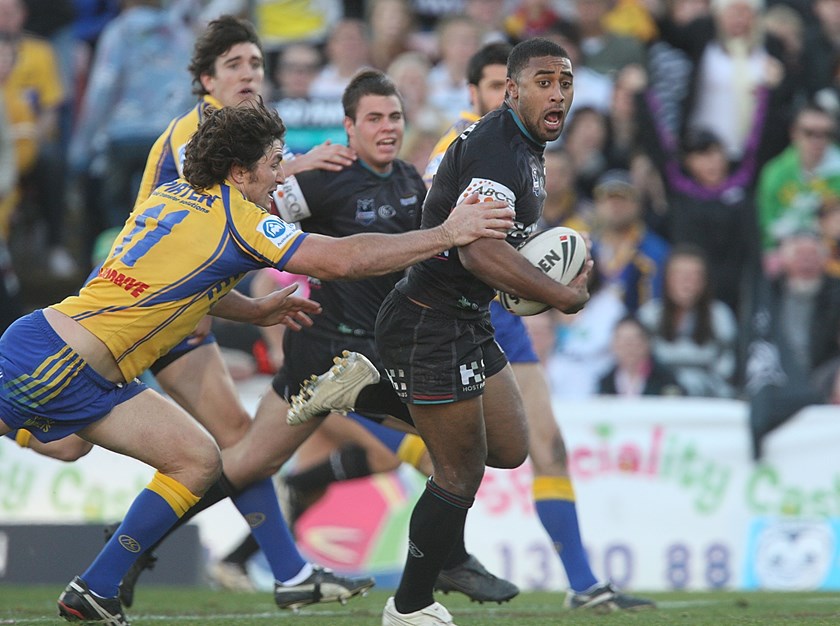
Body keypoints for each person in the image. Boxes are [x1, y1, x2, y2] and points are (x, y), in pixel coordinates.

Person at [0, 99, 512, 625]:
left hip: (65, 359)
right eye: (274, 162)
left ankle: (96, 590)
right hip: (56, 365)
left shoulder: (174, 195)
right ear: (239, 171)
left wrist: (255, 309)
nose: (280, 174)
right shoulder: (239, 218)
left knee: (197, 459)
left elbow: (183, 282)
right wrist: (447, 235)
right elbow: (342, 259)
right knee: (99, 449)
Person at [160, 68, 520, 606]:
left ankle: (141, 540)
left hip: (376, 356)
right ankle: (450, 564)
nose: (386, 127)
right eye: (373, 118)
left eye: (394, 116)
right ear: (348, 127)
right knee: (439, 451)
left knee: (259, 462)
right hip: (325, 354)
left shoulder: (410, 183)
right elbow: (243, 226)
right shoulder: (324, 180)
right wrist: (232, 298)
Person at [421, 39, 655, 614]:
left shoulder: (530, 148)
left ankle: (583, 584)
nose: (553, 94)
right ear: (493, 90)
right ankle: (439, 566)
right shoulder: (466, 145)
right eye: (536, 82)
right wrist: (554, 291)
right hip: (453, 306)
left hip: (504, 312)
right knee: (451, 453)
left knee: (542, 444)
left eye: (562, 83)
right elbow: (463, 238)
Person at [636, 244, 738, 398]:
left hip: (707, 404)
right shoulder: (649, 315)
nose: (686, 282)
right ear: (666, 279)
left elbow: (727, 371)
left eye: (694, 276)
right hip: (656, 402)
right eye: (679, 275)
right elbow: (636, 367)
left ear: (705, 281)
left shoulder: (719, 316)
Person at [598, 315, 686, 396]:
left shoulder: (665, 379)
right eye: (623, 342)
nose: (628, 348)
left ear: (646, 343)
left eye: (634, 341)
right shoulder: (606, 382)